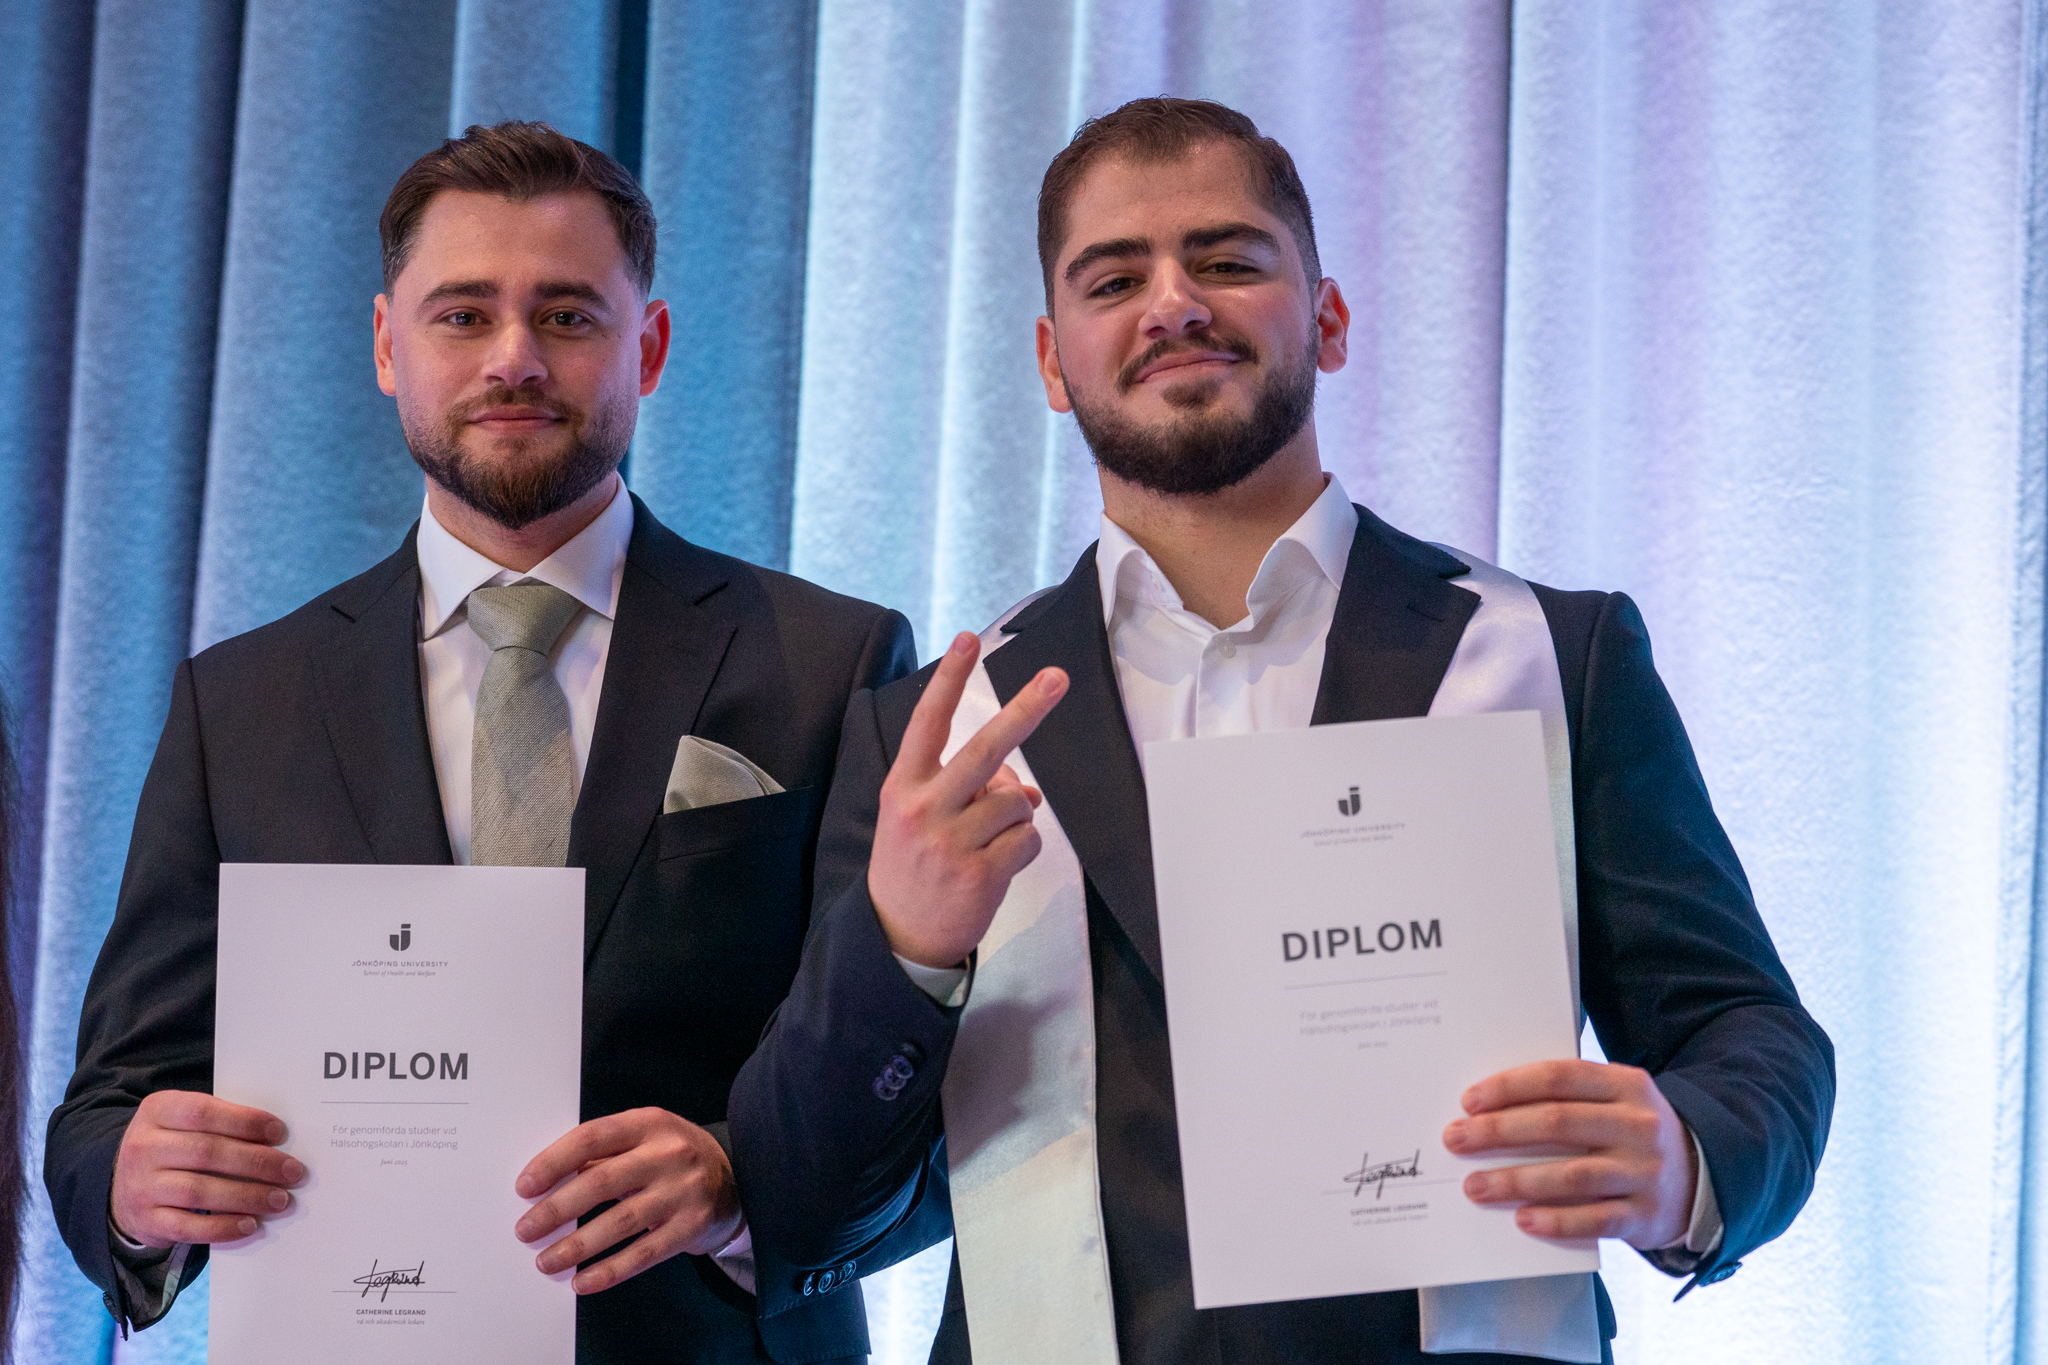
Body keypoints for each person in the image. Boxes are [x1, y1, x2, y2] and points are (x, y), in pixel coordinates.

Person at [728, 98, 1834, 1364]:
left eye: (1226, 259)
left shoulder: (1548, 653)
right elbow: (804, 1197)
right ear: (1049, 359)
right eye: (1114, 278)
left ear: (1328, 317)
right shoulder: (937, 733)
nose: (1173, 304)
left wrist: (1686, 1153)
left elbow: (1750, 1035)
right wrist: (902, 953)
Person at [44, 122, 913, 1363]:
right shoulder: (239, 703)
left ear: (648, 347)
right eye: (462, 316)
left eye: (567, 316)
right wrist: (131, 1183)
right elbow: (104, 1111)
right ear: (388, 346)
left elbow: (907, 1093)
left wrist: (735, 1186)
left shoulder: (834, 661)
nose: (515, 358)